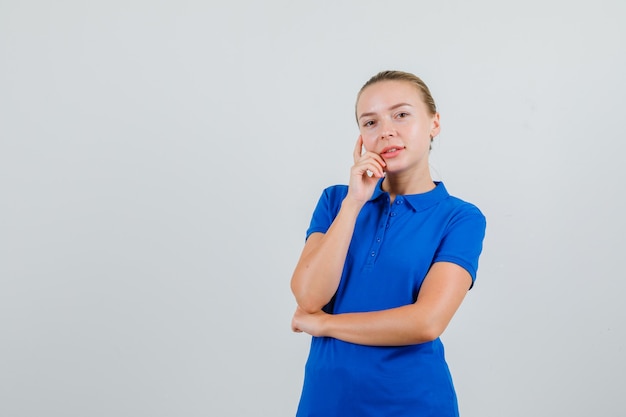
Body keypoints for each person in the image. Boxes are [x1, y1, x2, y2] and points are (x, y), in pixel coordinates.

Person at [290, 70, 486, 417]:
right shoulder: (336, 201)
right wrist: (354, 203)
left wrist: (324, 324)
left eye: (401, 114)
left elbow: (426, 322)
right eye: (370, 122)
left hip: (414, 404)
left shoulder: (460, 218)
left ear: (434, 123)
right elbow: (308, 296)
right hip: (325, 403)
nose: (386, 131)